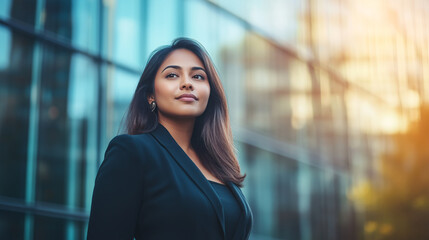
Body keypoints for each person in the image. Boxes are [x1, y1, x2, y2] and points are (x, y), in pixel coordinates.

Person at [87, 38, 253, 240]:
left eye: (198, 77)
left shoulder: (219, 165)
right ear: (151, 95)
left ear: (210, 92)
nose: (187, 83)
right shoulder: (131, 152)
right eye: (172, 75)